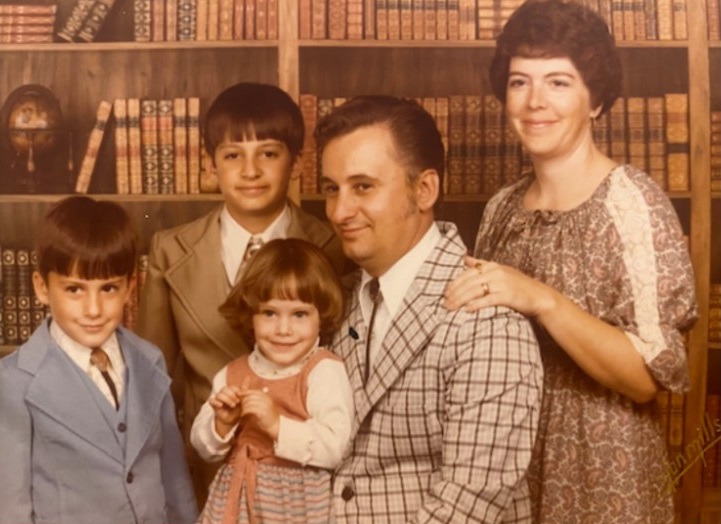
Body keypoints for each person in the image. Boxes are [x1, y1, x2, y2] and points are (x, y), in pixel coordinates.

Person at [443, 2, 698, 523]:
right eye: (520, 82)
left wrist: (541, 299)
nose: (535, 101)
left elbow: (645, 375)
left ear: (596, 99)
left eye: (558, 82)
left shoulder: (631, 203)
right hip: (506, 466)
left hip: (603, 477)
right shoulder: (501, 208)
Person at [314, 94, 543, 523]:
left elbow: (468, 504)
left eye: (363, 186)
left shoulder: (488, 321)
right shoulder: (333, 304)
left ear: (424, 189)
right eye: (332, 189)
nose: (340, 211)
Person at [135, 82, 347, 505]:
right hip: (207, 475)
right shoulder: (170, 251)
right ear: (209, 166)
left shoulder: (334, 249)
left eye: (268, 154)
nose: (250, 171)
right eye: (233, 155)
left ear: (298, 164)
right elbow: (152, 386)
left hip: (303, 481)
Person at [0, 196, 197, 524]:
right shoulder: (13, 382)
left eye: (108, 288)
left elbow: (174, 479)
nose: (93, 309)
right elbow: (11, 507)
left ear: (130, 287)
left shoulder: (150, 360)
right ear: (42, 288)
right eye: (74, 290)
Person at [189, 238, 354, 524]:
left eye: (299, 314)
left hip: (296, 507)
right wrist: (221, 425)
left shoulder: (322, 369)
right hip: (234, 504)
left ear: (321, 316)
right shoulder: (232, 374)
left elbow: (335, 446)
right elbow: (202, 448)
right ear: (250, 315)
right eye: (269, 313)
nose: (283, 329)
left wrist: (277, 426)